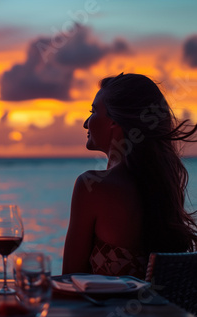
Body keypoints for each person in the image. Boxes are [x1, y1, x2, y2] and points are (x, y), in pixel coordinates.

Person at [62, 73, 197, 279]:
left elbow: (70, 280)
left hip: (103, 311)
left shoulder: (92, 186)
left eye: (94, 111)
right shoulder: (163, 186)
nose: (86, 122)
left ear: (115, 121)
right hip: (159, 311)